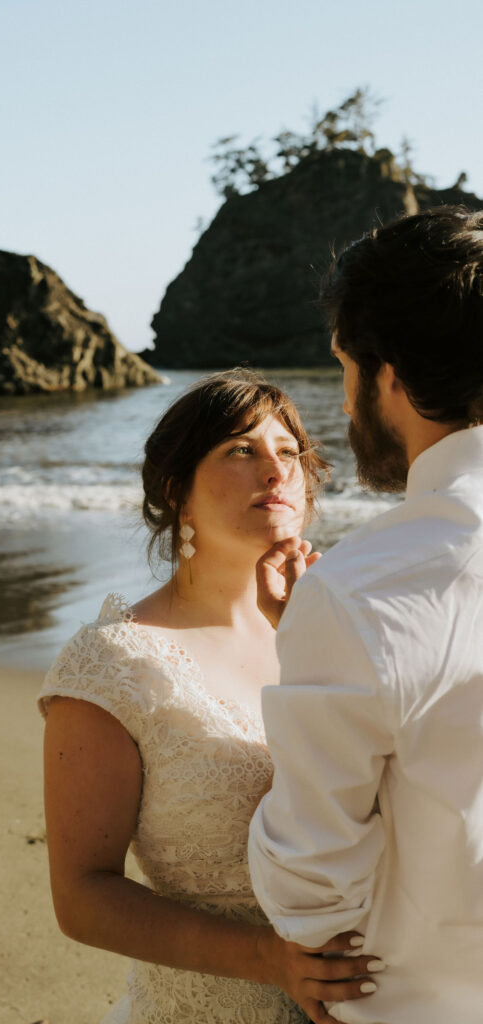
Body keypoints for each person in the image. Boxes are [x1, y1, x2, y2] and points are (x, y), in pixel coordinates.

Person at [39, 370, 383, 1024]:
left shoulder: (341, 634)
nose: (276, 471)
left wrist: (310, 644)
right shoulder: (110, 662)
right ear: (177, 493)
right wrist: (268, 959)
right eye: (239, 451)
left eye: (289, 453)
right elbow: (82, 896)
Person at [248, 206, 483, 1024]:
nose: (344, 406)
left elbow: (308, 889)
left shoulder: (363, 590)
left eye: (345, 367)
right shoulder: (356, 596)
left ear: (386, 375)